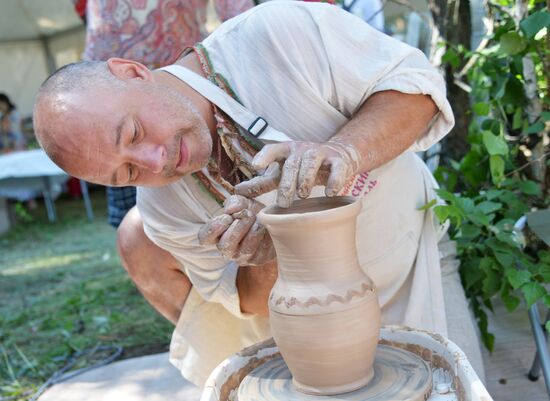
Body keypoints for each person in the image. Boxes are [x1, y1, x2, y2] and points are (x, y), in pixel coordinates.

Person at [33, 1, 485, 386]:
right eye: (127, 172)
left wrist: (346, 150)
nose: (155, 162)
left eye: (133, 132)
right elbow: (247, 301)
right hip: (321, 323)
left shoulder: (274, 33)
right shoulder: (161, 208)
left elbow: (418, 92)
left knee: (455, 386)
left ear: (132, 72)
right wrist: (270, 256)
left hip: (413, 261)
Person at [78, 0, 254, 227]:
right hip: (106, 110)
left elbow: (236, 10)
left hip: (186, 90)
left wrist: (243, 42)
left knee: (217, 211)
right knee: (136, 224)